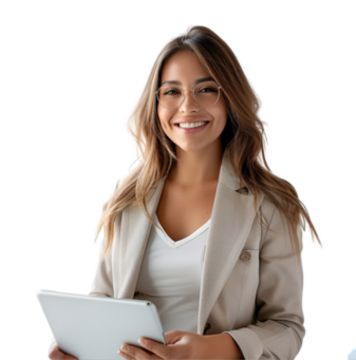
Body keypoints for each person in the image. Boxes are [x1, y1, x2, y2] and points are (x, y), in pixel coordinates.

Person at [47, 22, 323, 360]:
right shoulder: (126, 194)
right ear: (155, 103)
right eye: (172, 91)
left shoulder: (269, 203)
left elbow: (288, 329)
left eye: (206, 89)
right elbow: (102, 301)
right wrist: (74, 341)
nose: (188, 106)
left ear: (230, 98)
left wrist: (211, 349)